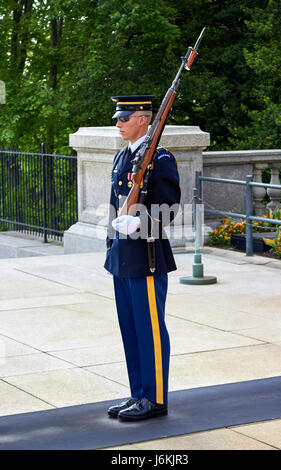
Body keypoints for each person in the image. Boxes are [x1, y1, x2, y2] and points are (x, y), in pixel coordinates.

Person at [104, 95, 181, 421]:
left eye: (124, 118)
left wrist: (141, 222)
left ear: (143, 119)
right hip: (123, 257)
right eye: (118, 118)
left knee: (149, 329)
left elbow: (171, 206)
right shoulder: (124, 157)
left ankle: (155, 398)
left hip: (147, 258)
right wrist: (111, 246)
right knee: (131, 329)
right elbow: (115, 205)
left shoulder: (160, 158)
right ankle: (138, 393)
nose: (118, 124)